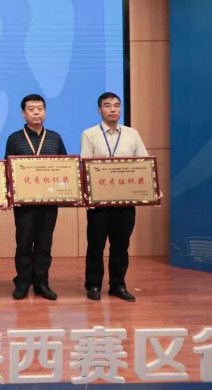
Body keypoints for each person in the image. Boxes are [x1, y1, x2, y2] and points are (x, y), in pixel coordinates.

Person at [80, 92, 148, 302]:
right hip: (99, 203)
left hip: (125, 201)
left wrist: (153, 189)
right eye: (107, 105)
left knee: (121, 245)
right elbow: (84, 165)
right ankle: (93, 285)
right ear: (99, 110)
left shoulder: (132, 134)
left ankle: (118, 285)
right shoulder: (90, 134)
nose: (113, 109)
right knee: (96, 245)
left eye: (117, 105)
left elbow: (144, 164)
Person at [4, 94, 67, 300]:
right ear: (23, 113)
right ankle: (22, 282)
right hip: (24, 203)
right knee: (24, 243)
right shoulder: (15, 138)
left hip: (49, 202)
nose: (36, 113)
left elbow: (65, 167)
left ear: (45, 112)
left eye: (40, 109)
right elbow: (7, 169)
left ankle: (42, 283)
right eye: (31, 109)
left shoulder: (55, 138)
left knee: (44, 244)